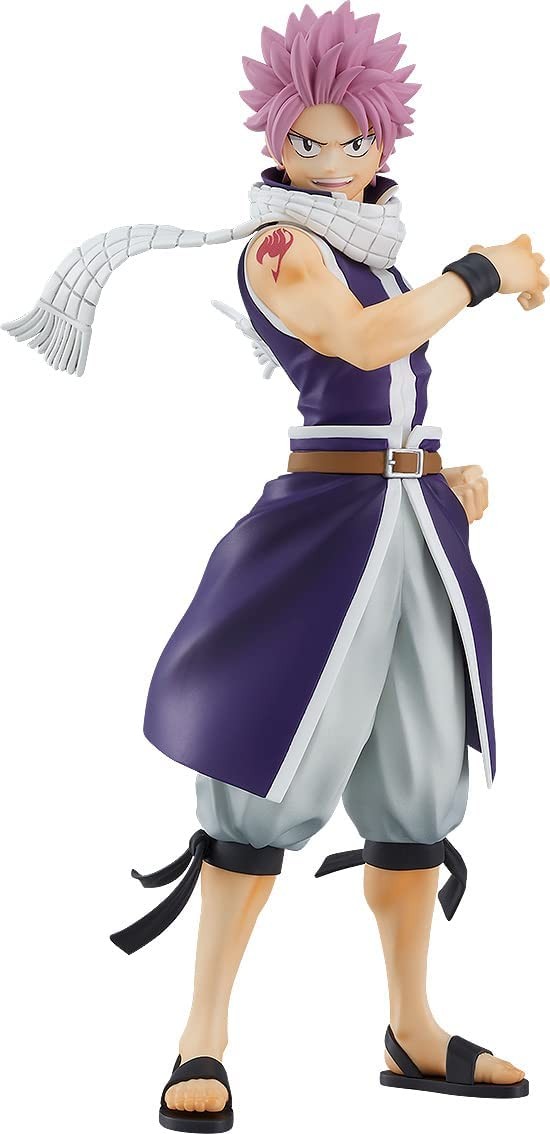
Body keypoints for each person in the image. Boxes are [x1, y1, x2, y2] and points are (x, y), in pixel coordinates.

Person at [4, 4, 547, 1127]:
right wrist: (482, 273)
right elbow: (360, 344)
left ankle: (412, 1028)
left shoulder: (373, 248)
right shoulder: (284, 247)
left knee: (419, 774)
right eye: (310, 141)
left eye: (355, 140)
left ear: (385, 140)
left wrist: (436, 470)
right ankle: (200, 1037)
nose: (333, 160)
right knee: (265, 771)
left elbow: (388, 384)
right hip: (326, 532)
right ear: (275, 140)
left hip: (411, 527)